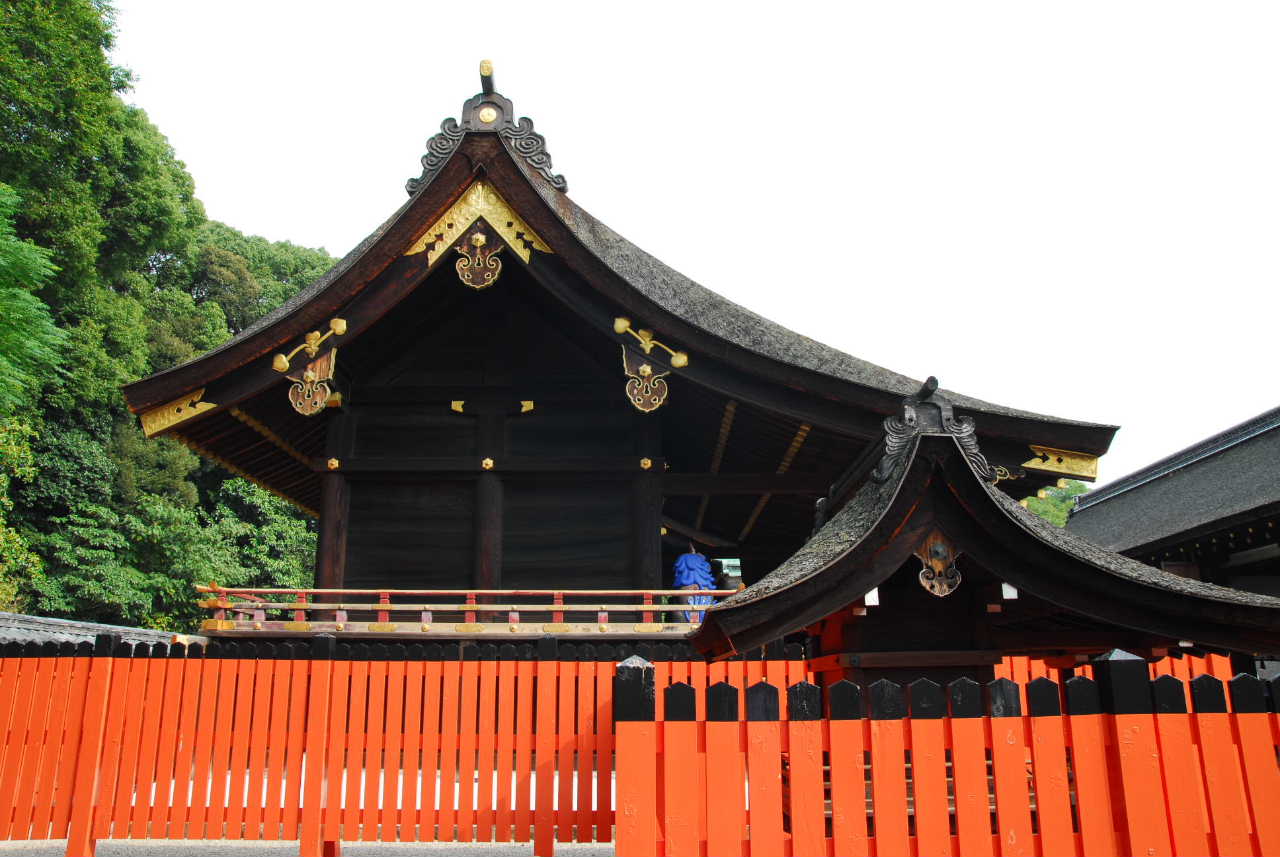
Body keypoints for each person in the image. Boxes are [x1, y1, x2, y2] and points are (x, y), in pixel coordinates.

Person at [673, 546, 716, 623]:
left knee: (683, 611)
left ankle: (695, 623)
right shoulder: (705, 581)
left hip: (693, 607)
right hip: (703, 613)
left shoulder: (683, 561)